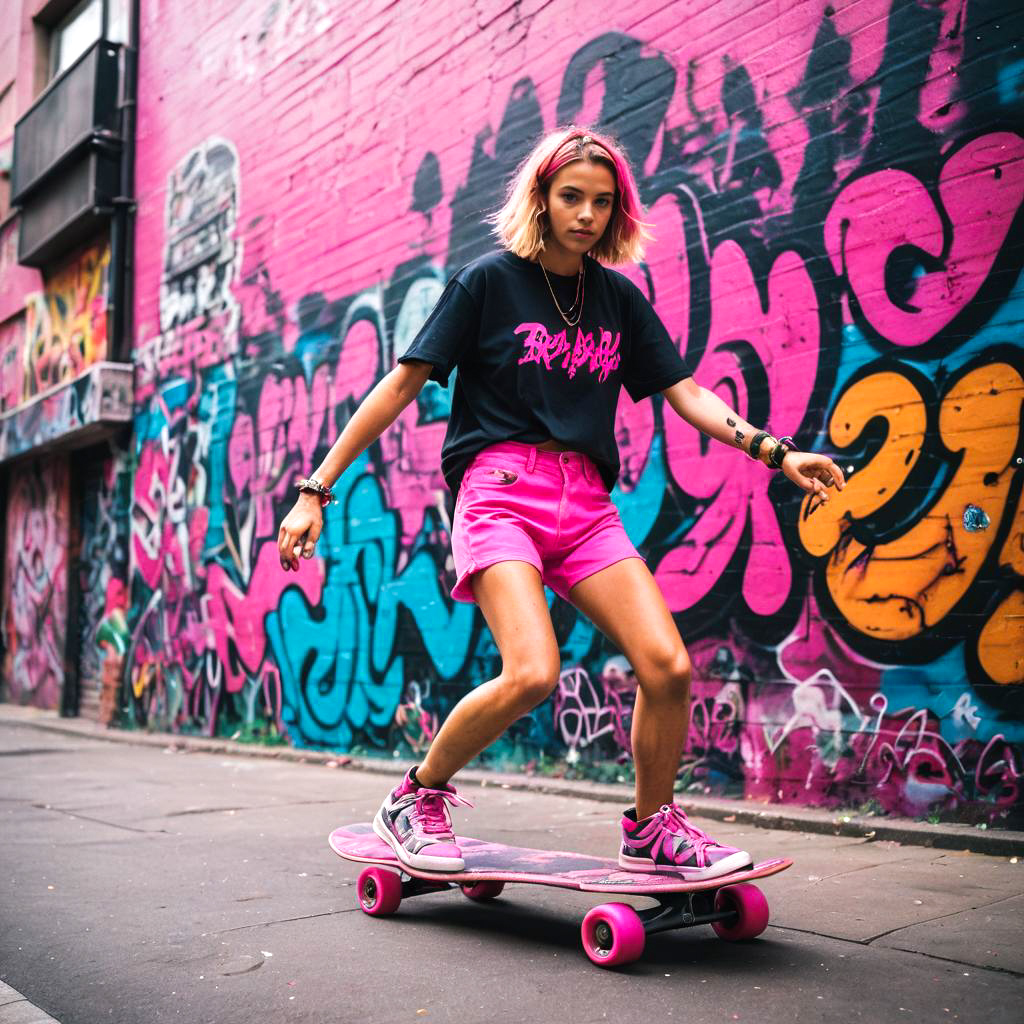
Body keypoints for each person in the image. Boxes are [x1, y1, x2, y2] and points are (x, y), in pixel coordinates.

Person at [277, 126, 845, 879]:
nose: (586, 214)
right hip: (499, 494)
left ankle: (650, 828)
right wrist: (317, 489)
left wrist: (777, 451)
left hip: (585, 505)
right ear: (540, 197)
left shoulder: (617, 298)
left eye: (602, 202)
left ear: (618, 213)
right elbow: (401, 384)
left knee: (667, 666)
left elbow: (690, 395)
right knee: (533, 672)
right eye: (571, 196)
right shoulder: (488, 282)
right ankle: (415, 797)